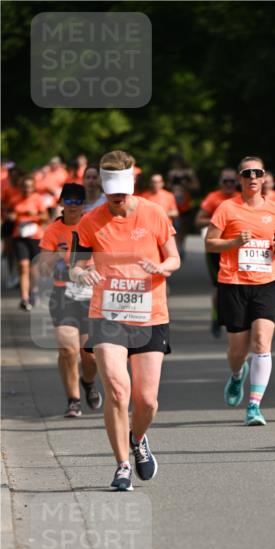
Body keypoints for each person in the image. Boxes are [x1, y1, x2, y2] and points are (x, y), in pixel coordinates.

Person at [70, 149, 180, 490]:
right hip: (107, 315)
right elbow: (75, 265)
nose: (118, 198)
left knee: (146, 400)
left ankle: (138, 438)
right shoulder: (90, 221)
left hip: (150, 314)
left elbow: (173, 258)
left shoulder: (154, 213)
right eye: (112, 191)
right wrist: (81, 275)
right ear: (103, 187)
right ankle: (121, 466)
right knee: (118, 392)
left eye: (123, 190)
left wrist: (162, 268)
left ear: (133, 183)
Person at [205, 155, 275, 426]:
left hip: (268, 282)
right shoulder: (226, 208)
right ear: (240, 179)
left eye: (257, 173)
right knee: (237, 351)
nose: (253, 177)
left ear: (264, 177)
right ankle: (236, 375)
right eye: (247, 173)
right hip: (233, 283)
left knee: (261, 342)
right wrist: (232, 242)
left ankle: (254, 405)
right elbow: (210, 243)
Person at [36, 183, 103, 418]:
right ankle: (73, 400)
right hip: (63, 295)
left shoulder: (94, 225)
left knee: (89, 354)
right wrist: (54, 258)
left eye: (78, 201)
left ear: (83, 205)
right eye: (68, 201)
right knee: (67, 349)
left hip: (90, 295)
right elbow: (42, 268)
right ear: (61, 203)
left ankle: (88, 382)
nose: (73, 206)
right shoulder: (53, 231)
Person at [196, 168, 241, 337]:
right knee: (220, 286)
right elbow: (198, 220)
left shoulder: (241, 198)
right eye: (225, 181)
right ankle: (216, 317)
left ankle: (239, 317)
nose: (229, 184)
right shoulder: (213, 198)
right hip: (216, 248)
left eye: (232, 181)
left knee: (239, 284)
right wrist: (219, 220)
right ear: (220, 183)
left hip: (237, 248)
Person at [8, 174, 49, 309]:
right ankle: (24, 297)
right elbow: (8, 214)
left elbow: (45, 217)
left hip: (35, 236)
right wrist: (11, 216)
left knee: (34, 267)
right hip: (19, 236)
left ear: (33, 188)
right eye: (25, 187)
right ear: (21, 188)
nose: (27, 190)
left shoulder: (37, 199)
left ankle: (34, 291)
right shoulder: (15, 200)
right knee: (23, 266)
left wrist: (35, 215)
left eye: (30, 187)